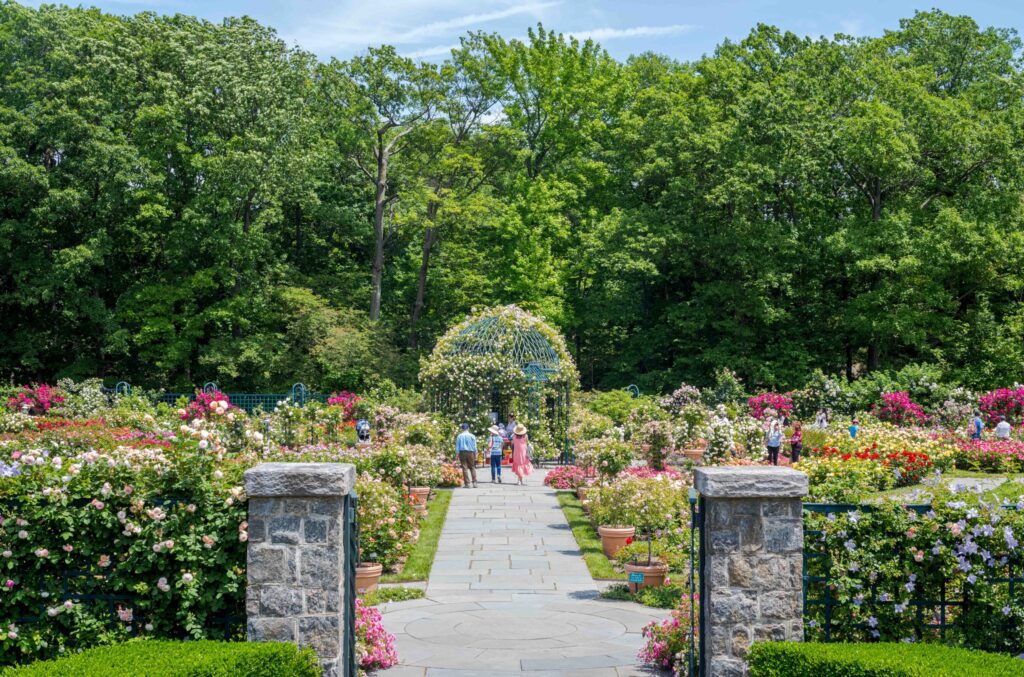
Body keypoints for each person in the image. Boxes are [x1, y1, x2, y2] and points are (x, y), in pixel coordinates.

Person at [455, 423, 478, 488]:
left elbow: (457, 447)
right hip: (470, 452)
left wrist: (457, 455)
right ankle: (474, 482)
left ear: (462, 428)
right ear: (468, 428)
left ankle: (467, 483)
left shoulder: (459, 436)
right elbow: (475, 446)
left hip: (462, 452)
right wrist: (476, 454)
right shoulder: (472, 436)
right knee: (472, 467)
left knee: (464, 468)